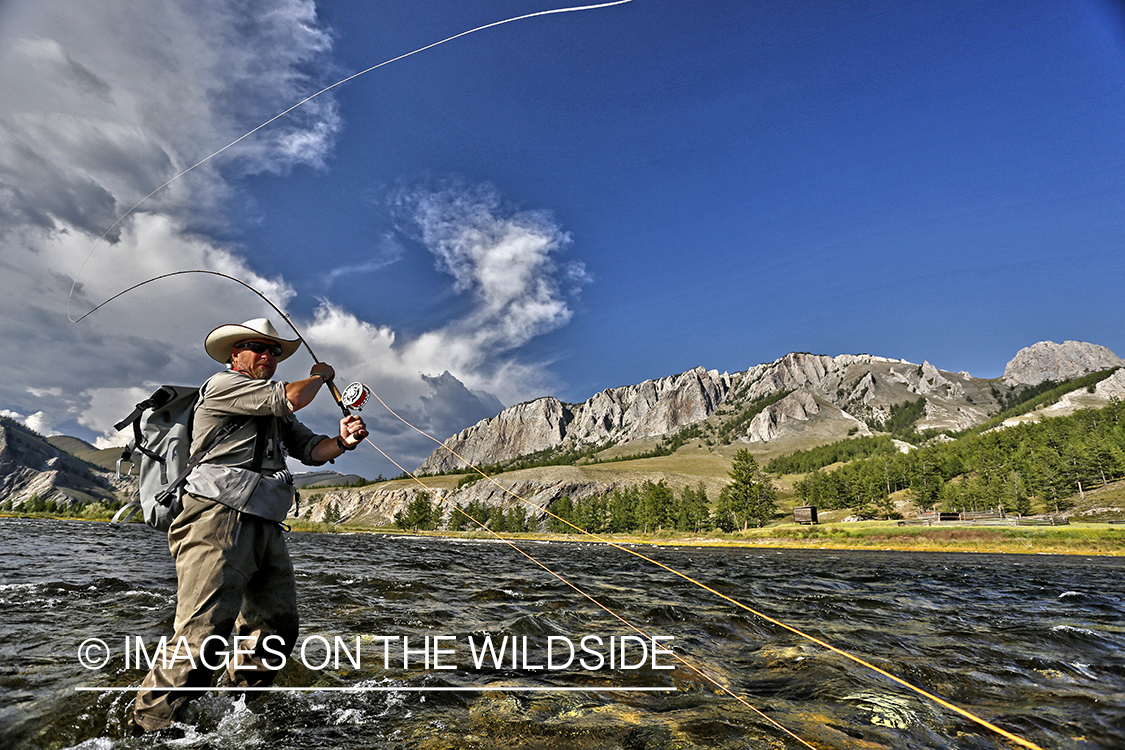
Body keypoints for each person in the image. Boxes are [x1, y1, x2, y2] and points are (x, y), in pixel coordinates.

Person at [131, 317, 368, 733]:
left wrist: (345, 441)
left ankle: (233, 710)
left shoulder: (275, 407)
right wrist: (319, 376)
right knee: (203, 632)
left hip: (265, 522)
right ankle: (149, 729)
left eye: (274, 350)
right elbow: (293, 397)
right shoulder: (223, 387)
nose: (268, 355)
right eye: (256, 347)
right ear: (234, 356)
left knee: (276, 626)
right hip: (214, 517)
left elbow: (313, 450)